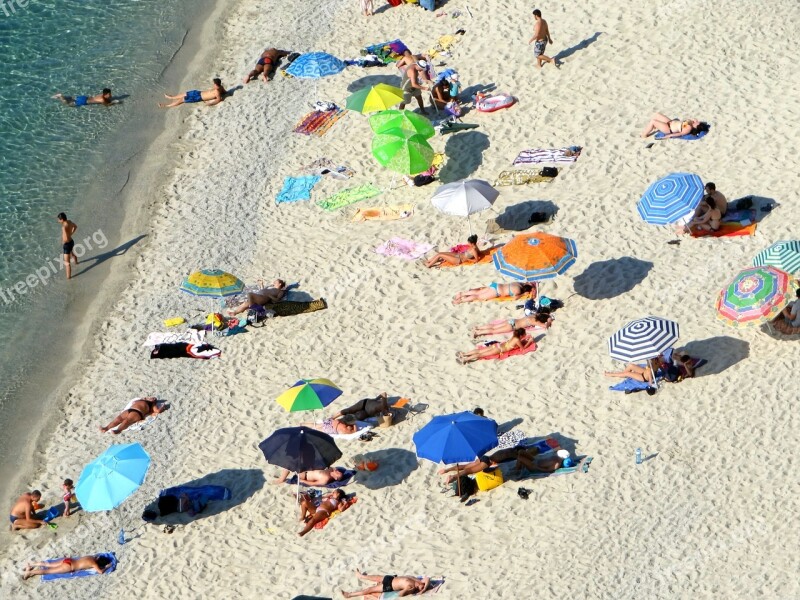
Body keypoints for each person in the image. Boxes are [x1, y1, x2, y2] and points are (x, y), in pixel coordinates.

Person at [437, 446, 556, 484]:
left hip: (487, 457)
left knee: (468, 466)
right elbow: (528, 463)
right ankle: (452, 477)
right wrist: (546, 470)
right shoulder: (519, 455)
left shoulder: (511, 451)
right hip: (488, 461)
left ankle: (447, 470)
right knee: (470, 470)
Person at [457, 328, 533, 364]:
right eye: (524, 334)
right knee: (481, 354)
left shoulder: (514, 336)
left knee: (479, 351)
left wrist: (526, 338)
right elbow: (523, 349)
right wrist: (529, 342)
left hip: (497, 345)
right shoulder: (517, 340)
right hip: (499, 349)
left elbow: (518, 341)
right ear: (521, 335)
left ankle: (464, 354)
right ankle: (465, 359)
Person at [99, 397, 169, 434]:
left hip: (138, 412)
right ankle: (106, 428)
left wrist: (162, 407)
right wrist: (144, 399)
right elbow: (133, 402)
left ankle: (118, 430)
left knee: (127, 421)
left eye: (155, 399)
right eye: (152, 397)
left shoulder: (152, 404)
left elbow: (157, 411)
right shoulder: (140, 400)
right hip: (130, 409)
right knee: (118, 419)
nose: (153, 398)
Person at [343, 570, 431, 598]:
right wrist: (424, 588)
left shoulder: (410, 587)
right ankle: (361, 576)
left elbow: (400, 594)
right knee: (375, 576)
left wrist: (411, 591)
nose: (422, 586)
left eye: (422, 588)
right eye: (423, 586)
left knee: (369, 590)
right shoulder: (418, 580)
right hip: (391, 578)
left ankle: (350, 595)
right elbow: (427, 579)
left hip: (388, 586)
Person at [22, 554, 113, 580]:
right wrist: (107, 566)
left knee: (48, 564)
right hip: (69, 566)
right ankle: (29, 572)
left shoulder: (92, 557)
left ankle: (31, 565)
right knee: (48, 571)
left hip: (68, 560)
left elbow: (97, 555)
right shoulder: (94, 564)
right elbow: (100, 572)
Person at [471, 312, 553, 339]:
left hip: (512, 320)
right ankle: (477, 333)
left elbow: (544, 314)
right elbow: (545, 326)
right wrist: (549, 320)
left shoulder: (534, 315)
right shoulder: (535, 321)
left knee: (493, 326)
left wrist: (548, 316)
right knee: (494, 331)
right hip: (513, 326)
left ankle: (478, 328)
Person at [159, 78, 226, 108]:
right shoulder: (221, 87)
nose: (213, 84)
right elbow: (225, 92)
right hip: (198, 93)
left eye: (214, 83)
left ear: (216, 84)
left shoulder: (217, 91)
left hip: (198, 97)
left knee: (182, 99)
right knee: (185, 94)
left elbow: (218, 99)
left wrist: (210, 103)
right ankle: (171, 97)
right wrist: (226, 93)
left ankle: (166, 105)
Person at [453, 282, 535, 304]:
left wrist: (530, 285)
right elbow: (515, 298)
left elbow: (528, 283)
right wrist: (523, 295)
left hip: (496, 285)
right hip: (497, 292)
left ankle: (462, 294)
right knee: (478, 296)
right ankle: (460, 301)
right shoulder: (518, 290)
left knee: (479, 291)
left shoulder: (518, 283)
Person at [640, 113, 709, 139]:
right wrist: (693, 120)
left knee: (653, 121)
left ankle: (644, 135)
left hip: (668, 128)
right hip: (670, 122)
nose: (698, 121)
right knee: (657, 114)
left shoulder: (689, 128)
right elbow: (691, 119)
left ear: (697, 127)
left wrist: (669, 136)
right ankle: (655, 126)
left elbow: (680, 133)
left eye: (698, 123)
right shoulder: (691, 123)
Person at [57, 213, 78, 279]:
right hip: (71, 242)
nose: (58, 221)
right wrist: (71, 234)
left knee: (67, 263)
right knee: (71, 253)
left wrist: (63, 242)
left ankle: (68, 278)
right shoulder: (70, 221)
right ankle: (76, 262)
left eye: (59, 219)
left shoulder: (64, 227)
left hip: (67, 245)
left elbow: (65, 238)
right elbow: (75, 226)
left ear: (62, 219)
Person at [272, 467, 345, 486]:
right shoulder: (332, 469)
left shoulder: (325, 479)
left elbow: (313, 484)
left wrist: (303, 481)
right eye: (339, 472)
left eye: (338, 474)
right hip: (308, 466)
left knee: (290, 465)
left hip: (305, 475)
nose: (338, 471)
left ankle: (281, 479)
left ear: (335, 478)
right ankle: (282, 476)